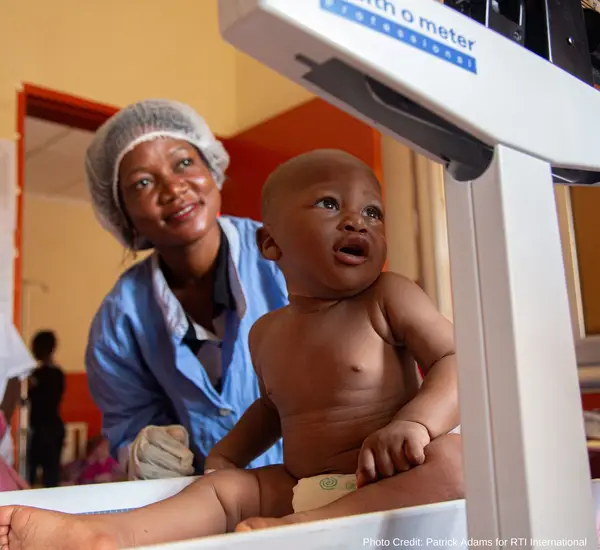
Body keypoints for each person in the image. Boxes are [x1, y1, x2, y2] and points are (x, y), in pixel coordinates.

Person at [0, 149, 463, 549]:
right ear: (271, 244)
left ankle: (305, 530)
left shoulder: (389, 297)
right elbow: (269, 409)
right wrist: (226, 458)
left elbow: (454, 359)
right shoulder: (266, 332)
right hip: (298, 487)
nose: (356, 221)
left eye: (373, 213)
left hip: (385, 479)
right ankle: (106, 535)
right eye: (329, 203)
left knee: (454, 462)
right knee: (221, 493)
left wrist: (416, 424)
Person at [83, 99, 287, 480]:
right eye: (143, 182)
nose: (173, 188)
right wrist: (141, 452)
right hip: (207, 513)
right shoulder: (121, 319)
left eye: (184, 163)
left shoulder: (284, 256)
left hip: (320, 489)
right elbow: (129, 421)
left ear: (211, 169)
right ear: (122, 214)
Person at [27, 330, 65, 488]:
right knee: (51, 477)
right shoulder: (58, 374)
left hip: (42, 431)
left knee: (31, 476)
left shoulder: (35, 376)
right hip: (54, 429)